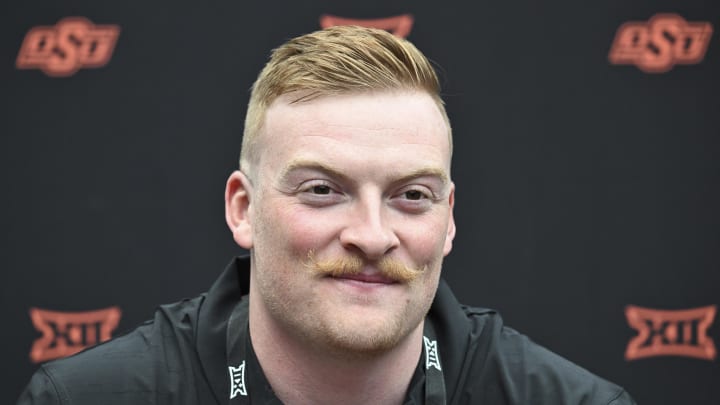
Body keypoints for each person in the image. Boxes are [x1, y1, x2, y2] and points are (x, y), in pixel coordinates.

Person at [18, 25, 636, 405]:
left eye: (411, 196)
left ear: (448, 220)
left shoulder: (569, 401)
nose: (371, 235)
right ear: (244, 208)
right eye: (321, 190)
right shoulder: (89, 399)